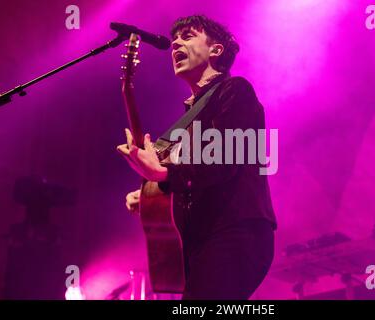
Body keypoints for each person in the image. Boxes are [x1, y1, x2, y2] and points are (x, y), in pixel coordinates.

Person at [117, 15, 277, 300]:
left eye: (188, 36)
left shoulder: (235, 91)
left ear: (216, 50)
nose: (176, 42)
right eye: (175, 38)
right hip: (201, 239)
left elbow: (225, 160)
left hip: (236, 231)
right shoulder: (189, 118)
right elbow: (194, 175)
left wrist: (163, 175)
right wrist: (150, 194)